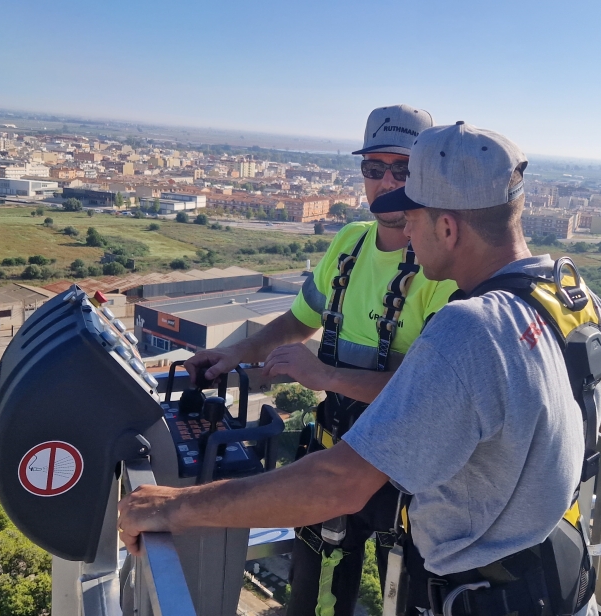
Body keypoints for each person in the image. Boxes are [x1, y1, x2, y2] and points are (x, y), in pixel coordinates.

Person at [118, 123, 601, 616]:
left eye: (412, 216)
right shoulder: (577, 299)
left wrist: (173, 508)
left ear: (447, 226)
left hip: (486, 594)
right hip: (564, 580)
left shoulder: (469, 329)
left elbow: (338, 484)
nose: (405, 234)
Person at [180, 104, 457, 616]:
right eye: (374, 169)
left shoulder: (443, 267)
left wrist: (321, 374)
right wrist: (232, 354)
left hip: (409, 476)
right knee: (312, 595)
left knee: (407, 597)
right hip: (335, 453)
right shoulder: (350, 243)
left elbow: (425, 392)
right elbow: (296, 321)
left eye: (403, 169)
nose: (387, 181)